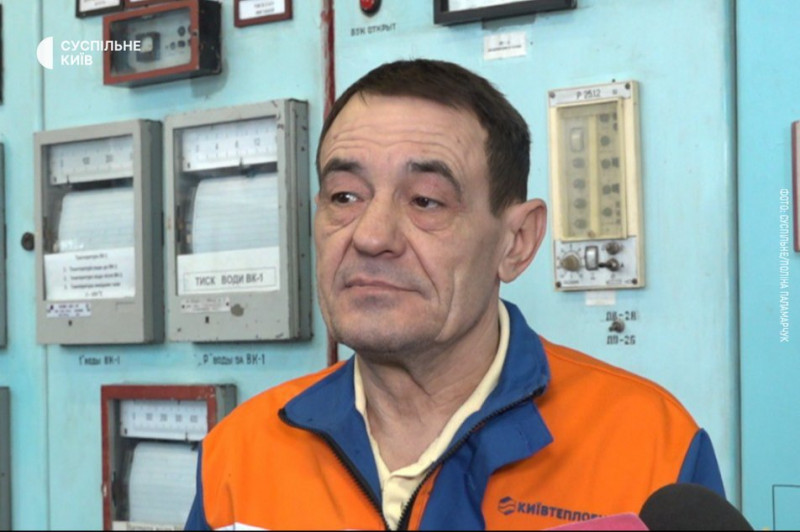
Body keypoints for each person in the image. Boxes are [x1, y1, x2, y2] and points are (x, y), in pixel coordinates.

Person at [184, 59, 724, 531]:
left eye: (426, 201)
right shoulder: (239, 455)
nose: (371, 236)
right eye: (345, 196)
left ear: (517, 241)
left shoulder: (651, 447)